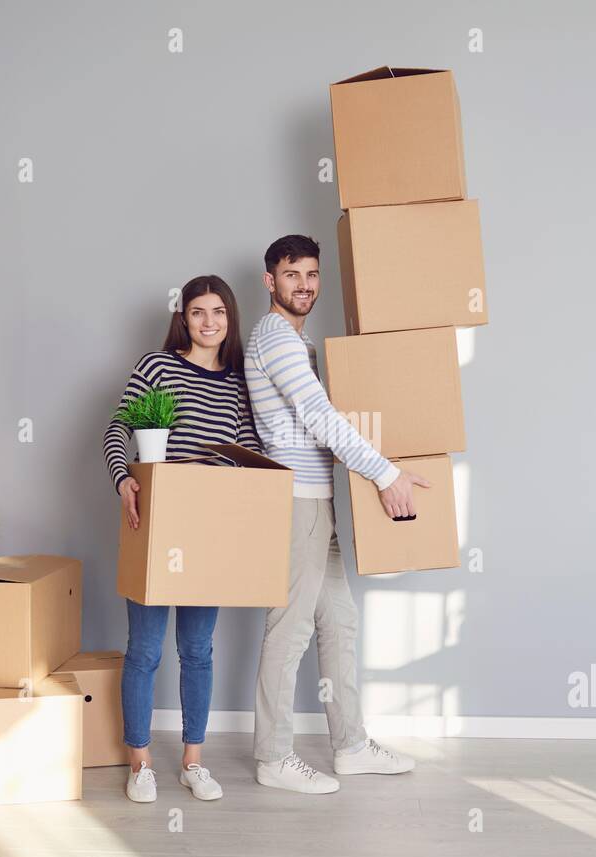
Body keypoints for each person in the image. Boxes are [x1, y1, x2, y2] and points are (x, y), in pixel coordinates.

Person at [244, 235, 426, 793]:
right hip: (295, 500)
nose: (305, 284)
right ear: (270, 281)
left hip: (317, 499)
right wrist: (386, 472)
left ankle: (349, 747)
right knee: (289, 630)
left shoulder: (300, 344)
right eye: (292, 273)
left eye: (313, 274)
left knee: (340, 623)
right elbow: (320, 418)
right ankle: (273, 759)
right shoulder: (276, 337)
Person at [103, 274, 262, 803]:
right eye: (199, 311)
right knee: (145, 650)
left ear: (229, 319)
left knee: (197, 649)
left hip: (206, 530)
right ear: (184, 317)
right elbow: (116, 429)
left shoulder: (237, 384)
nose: (209, 321)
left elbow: (245, 452)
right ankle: (140, 762)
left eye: (219, 312)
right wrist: (124, 477)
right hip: (153, 524)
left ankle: (194, 761)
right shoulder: (157, 366)